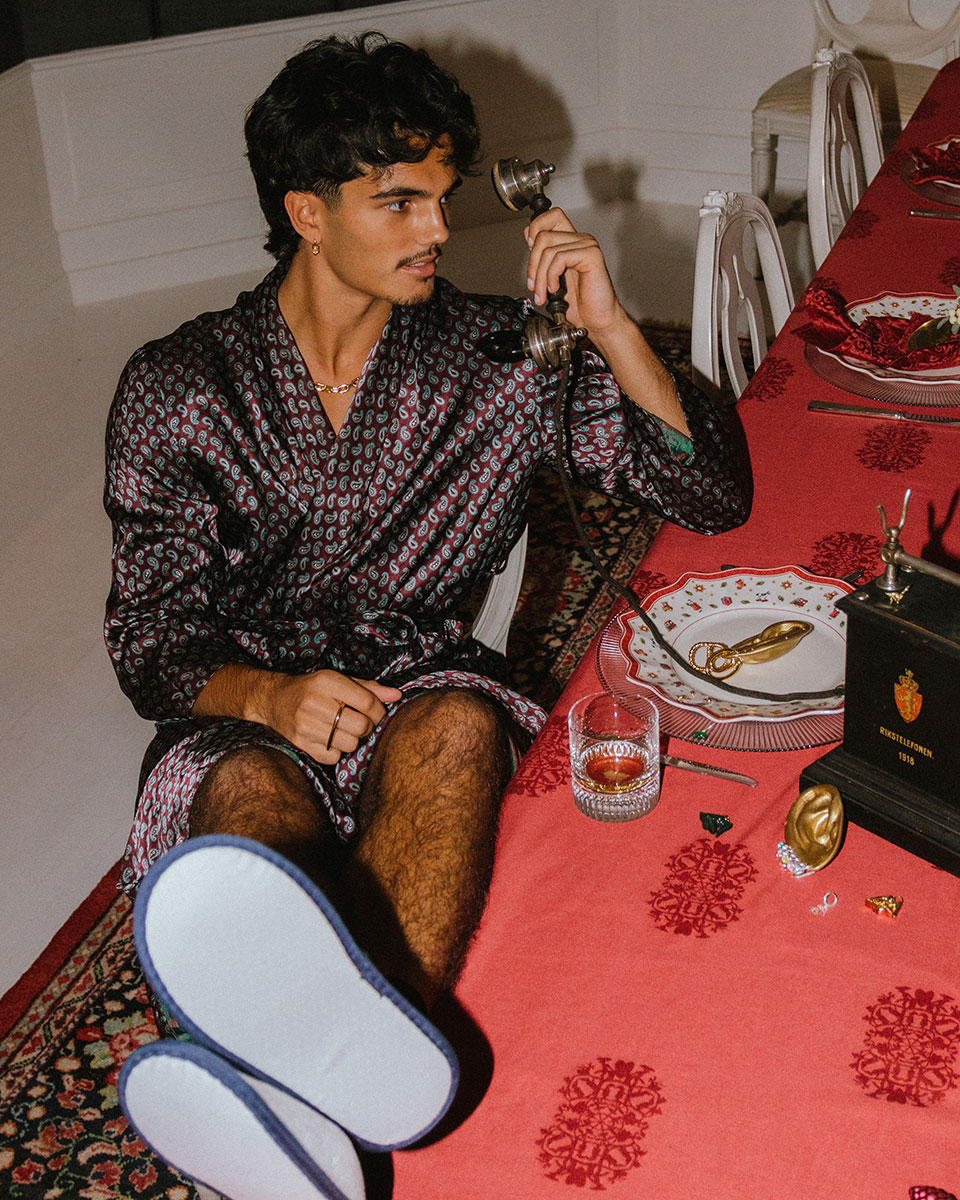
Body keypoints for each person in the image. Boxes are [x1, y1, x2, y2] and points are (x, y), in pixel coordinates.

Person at [105, 31, 750, 1197]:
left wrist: (612, 325)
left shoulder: (497, 363)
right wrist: (270, 699)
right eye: (398, 202)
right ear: (306, 212)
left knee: (456, 728)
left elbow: (710, 494)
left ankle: (297, 1115)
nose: (440, 230)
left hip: (429, 690)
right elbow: (150, 641)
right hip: (244, 717)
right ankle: (347, 1115)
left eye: (443, 198)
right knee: (251, 800)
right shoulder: (179, 387)